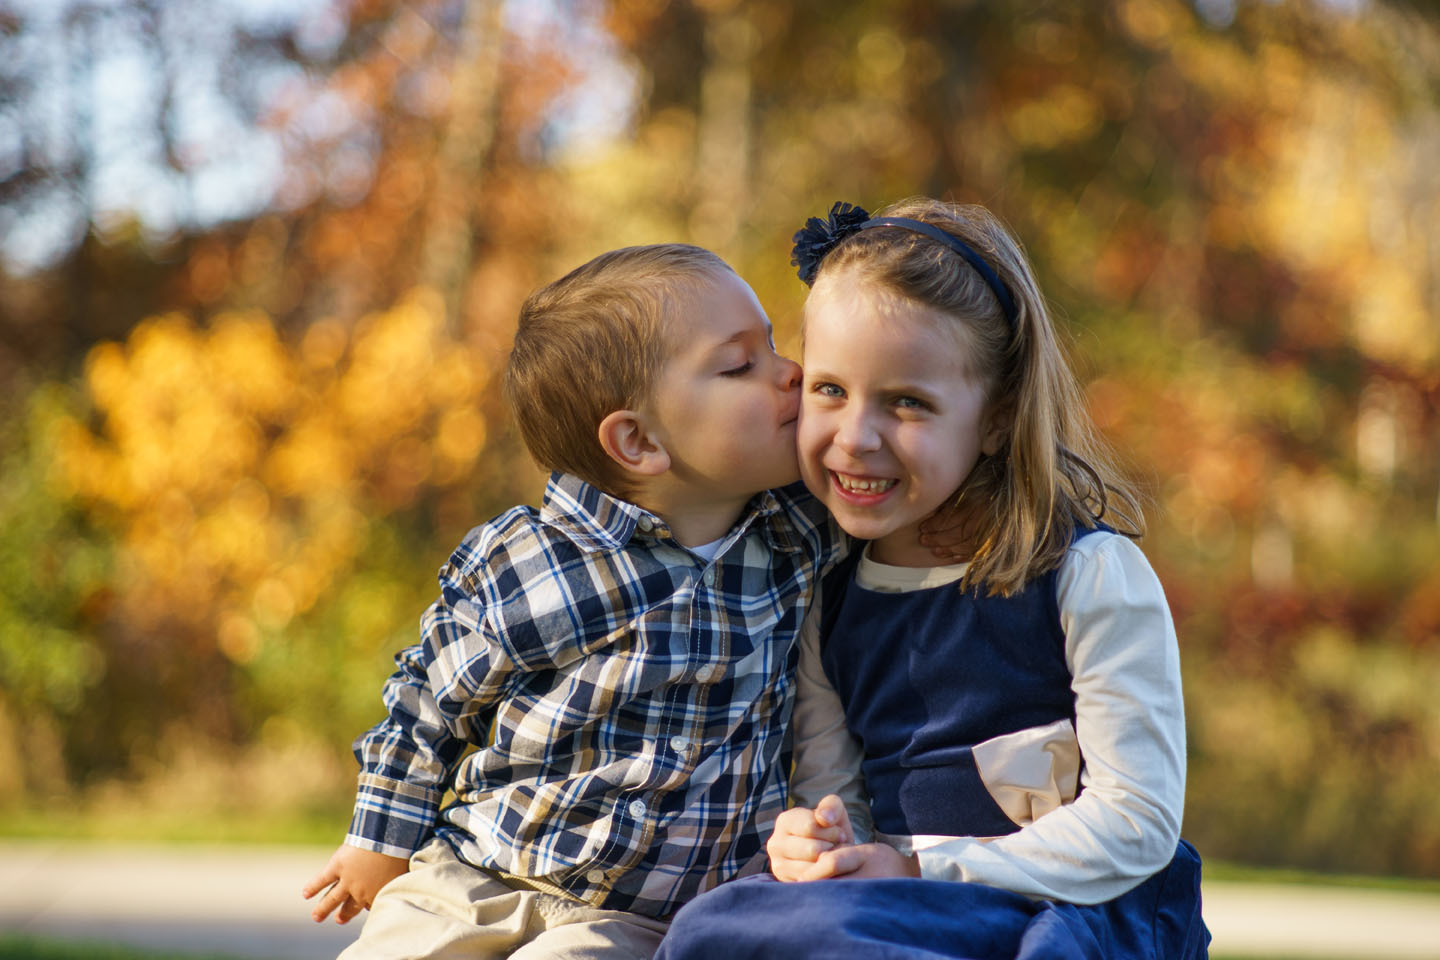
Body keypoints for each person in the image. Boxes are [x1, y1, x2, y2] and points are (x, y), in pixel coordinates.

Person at [654, 200, 1210, 960]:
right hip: (894, 905)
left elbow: (1137, 821)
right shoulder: (831, 595)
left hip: (1060, 903)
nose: (856, 437)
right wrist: (820, 844)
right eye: (829, 390)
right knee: (713, 928)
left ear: (996, 418)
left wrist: (921, 869)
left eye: (907, 403)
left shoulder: (1086, 574)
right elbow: (835, 798)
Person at [301, 243, 849, 959]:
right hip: (473, 871)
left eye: (773, 345)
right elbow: (426, 704)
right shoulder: (530, 563)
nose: (793, 374)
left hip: (629, 918)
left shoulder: (796, 534)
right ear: (638, 440)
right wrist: (378, 839)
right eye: (741, 364)